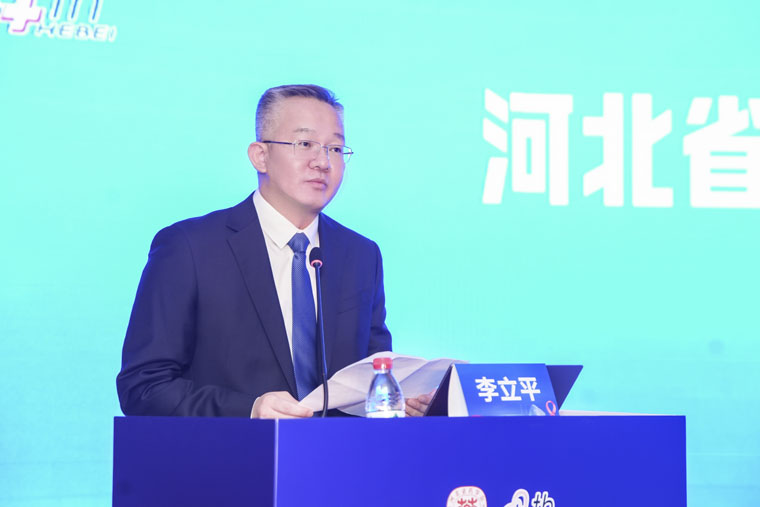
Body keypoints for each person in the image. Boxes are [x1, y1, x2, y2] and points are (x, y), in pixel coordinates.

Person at [117, 84, 432, 418]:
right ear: (260, 156)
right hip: (233, 450)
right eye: (305, 144)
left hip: (336, 451)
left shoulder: (360, 255)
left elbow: (372, 376)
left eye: (336, 148)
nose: (322, 162)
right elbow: (144, 386)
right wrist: (249, 410)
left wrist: (402, 401)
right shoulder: (190, 248)